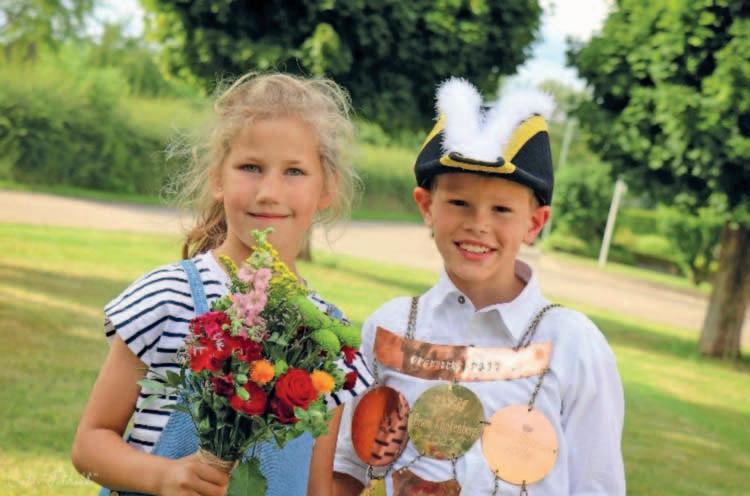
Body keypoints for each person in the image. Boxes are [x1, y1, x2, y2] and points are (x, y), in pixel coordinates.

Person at [72, 72, 373, 496]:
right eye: (251, 167)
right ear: (217, 177)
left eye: (294, 171)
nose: (269, 192)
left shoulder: (330, 339)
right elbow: (89, 446)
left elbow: (315, 487)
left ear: (327, 188)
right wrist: (163, 477)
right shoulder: (167, 297)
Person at [333, 78, 625, 495]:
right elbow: (348, 465)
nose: (479, 224)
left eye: (502, 209)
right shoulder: (389, 326)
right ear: (426, 206)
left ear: (535, 224)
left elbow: (597, 485)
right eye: (459, 203)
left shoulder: (573, 343)